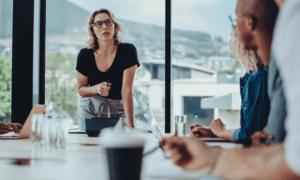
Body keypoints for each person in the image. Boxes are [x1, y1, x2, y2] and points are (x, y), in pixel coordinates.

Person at [162, 0, 300, 179]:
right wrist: (214, 154)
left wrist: (218, 156)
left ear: (249, 22)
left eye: (236, 18)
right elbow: (290, 152)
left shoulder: (294, 17)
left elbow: (287, 162)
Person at [190, 19, 270, 145]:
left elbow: (251, 135)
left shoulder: (259, 77)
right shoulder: (251, 77)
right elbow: (249, 130)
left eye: (232, 37)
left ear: (242, 42)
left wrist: (222, 132)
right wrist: (214, 132)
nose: (230, 43)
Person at [76, 9, 140, 131]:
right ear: (93, 30)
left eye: (108, 22)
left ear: (115, 27)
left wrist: (131, 127)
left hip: (119, 110)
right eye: (99, 24)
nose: (104, 26)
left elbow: (126, 90)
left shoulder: (128, 51)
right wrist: (96, 88)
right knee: (89, 145)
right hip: (90, 108)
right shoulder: (85, 55)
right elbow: (81, 90)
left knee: (120, 145)